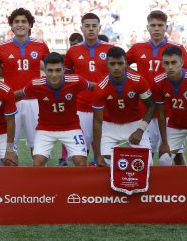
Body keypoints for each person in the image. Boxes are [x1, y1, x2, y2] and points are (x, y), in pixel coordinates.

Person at [126, 10, 187, 163]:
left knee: (175, 153)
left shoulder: (177, 48)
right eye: (153, 25)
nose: (156, 28)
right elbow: (122, 64)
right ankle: (148, 184)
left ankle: (181, 184)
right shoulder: (138, 47)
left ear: (166, 27)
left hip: (170, 108)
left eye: (160, 25)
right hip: (145, 106)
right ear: (147, 27)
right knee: (145, 153)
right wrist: (137, 77)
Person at [15, 52, 94, 166]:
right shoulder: (36, 84)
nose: (54, 74)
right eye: (50, 70)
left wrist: (113, 92)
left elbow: (95, 87)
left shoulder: (76, 81)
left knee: (80, 162)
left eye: (58, 70)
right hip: (45, 129)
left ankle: (77, 184)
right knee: (37, 163)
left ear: (64, 70)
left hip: (71, 127)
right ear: (45, 70)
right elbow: (18, 94)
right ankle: (42, 184)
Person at [0, 8, 50, 156]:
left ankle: (37, 177)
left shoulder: (40, 46)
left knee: (37, 146)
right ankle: (9, 177)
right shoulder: (2, 47)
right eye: (16, 22)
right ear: (11, 26)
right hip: (12, 100)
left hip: (35, 101)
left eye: (24, 21)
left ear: (30, 25)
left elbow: (51, 67)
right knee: (9, 145)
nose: (20, 24)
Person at [64, 13, 115, 165]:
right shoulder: (73, 51)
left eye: (94, 26)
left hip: (105, 106)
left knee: (106, 153)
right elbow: (67, 78)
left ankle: (105, 186)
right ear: (81, 28)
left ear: (99, 28)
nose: (91, 29)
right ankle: (82, 186)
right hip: (81, 107)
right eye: (87, 26)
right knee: (80, 153)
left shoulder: (110, 49)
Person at [92, 47, 155, 167]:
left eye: (120, 63)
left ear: (126, 63)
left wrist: (140, 130)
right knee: (105, 163)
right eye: (112, 64)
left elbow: (151, 105)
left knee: (148, 163)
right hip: (110, 127)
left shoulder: (138, 80)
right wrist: (97, 154)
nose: (116, 67)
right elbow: (97, 122)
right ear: (107, 65)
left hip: (134, 124)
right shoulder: (100, 87)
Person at [153, 47, 187, 165]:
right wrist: (164, 142)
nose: (170, 67)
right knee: (164, 159)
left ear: (181, 63)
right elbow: (161, 114)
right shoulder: (158, 82)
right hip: (176, 124)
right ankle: (178, 184)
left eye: (174, 62)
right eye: (166, 63)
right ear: (162, 64)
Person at [57, 32, 83, 166]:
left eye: (76, 44)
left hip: (88, 98)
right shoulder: (70, 56)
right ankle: (64, 158)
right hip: (72, 98)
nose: (73, 47)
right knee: (67, 128)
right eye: (71, 44)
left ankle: (95, 158)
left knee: (90, 129)